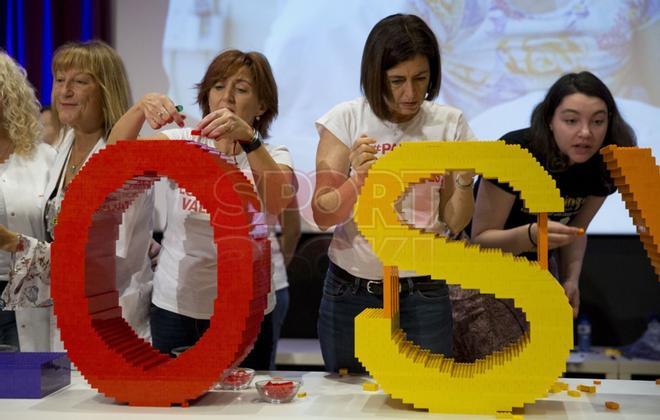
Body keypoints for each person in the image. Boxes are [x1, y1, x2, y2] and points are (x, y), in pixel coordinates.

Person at [108, 49, 295, 365]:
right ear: (206, 95)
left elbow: (279, 201)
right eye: (219, 86)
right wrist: (140, 108)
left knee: (246, 407)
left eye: (242, 89)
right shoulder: (183, 142)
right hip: (177, 304)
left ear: (261, 105)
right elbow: (114, 161)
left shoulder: (273, 154)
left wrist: (250, 141)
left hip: (248, 309)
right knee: (177, 407)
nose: (227, 98)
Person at [312, 14, 476, 373]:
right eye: (397, 81)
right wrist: (357, 180)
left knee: (426, 400)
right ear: (375, 76)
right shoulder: (346, 119)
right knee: (345, 403)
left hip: (425, 289)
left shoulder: (450, 123)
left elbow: (454, 222)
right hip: (352, 289)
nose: (411, 94)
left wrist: (464, 181)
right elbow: (323, 215)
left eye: (421, 79)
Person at [466, 71, 637, 361]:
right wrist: (531, 236)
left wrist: (571, 279)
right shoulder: (514, 153)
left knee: (539, 362)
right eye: (571, 121)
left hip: (538, 269)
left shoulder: (604, 163)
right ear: (550, 120)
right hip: (478, 273)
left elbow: (576, 231)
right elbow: (479, 240)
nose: (586, 132)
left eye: (598, 121)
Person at [0, 40, 155, 348]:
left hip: (110, 324)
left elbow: (106, 263)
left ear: (106, 90)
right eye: (60, 80)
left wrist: (14, 243)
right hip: (66, 320)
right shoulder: (65, 146)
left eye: (80, 82)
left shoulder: (125, 160)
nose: (65, 91)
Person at [0, 51, 56, 351]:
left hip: (30, 297)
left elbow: (61, 241)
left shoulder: (46, 160)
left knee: (29, 395)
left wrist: (11, 241)